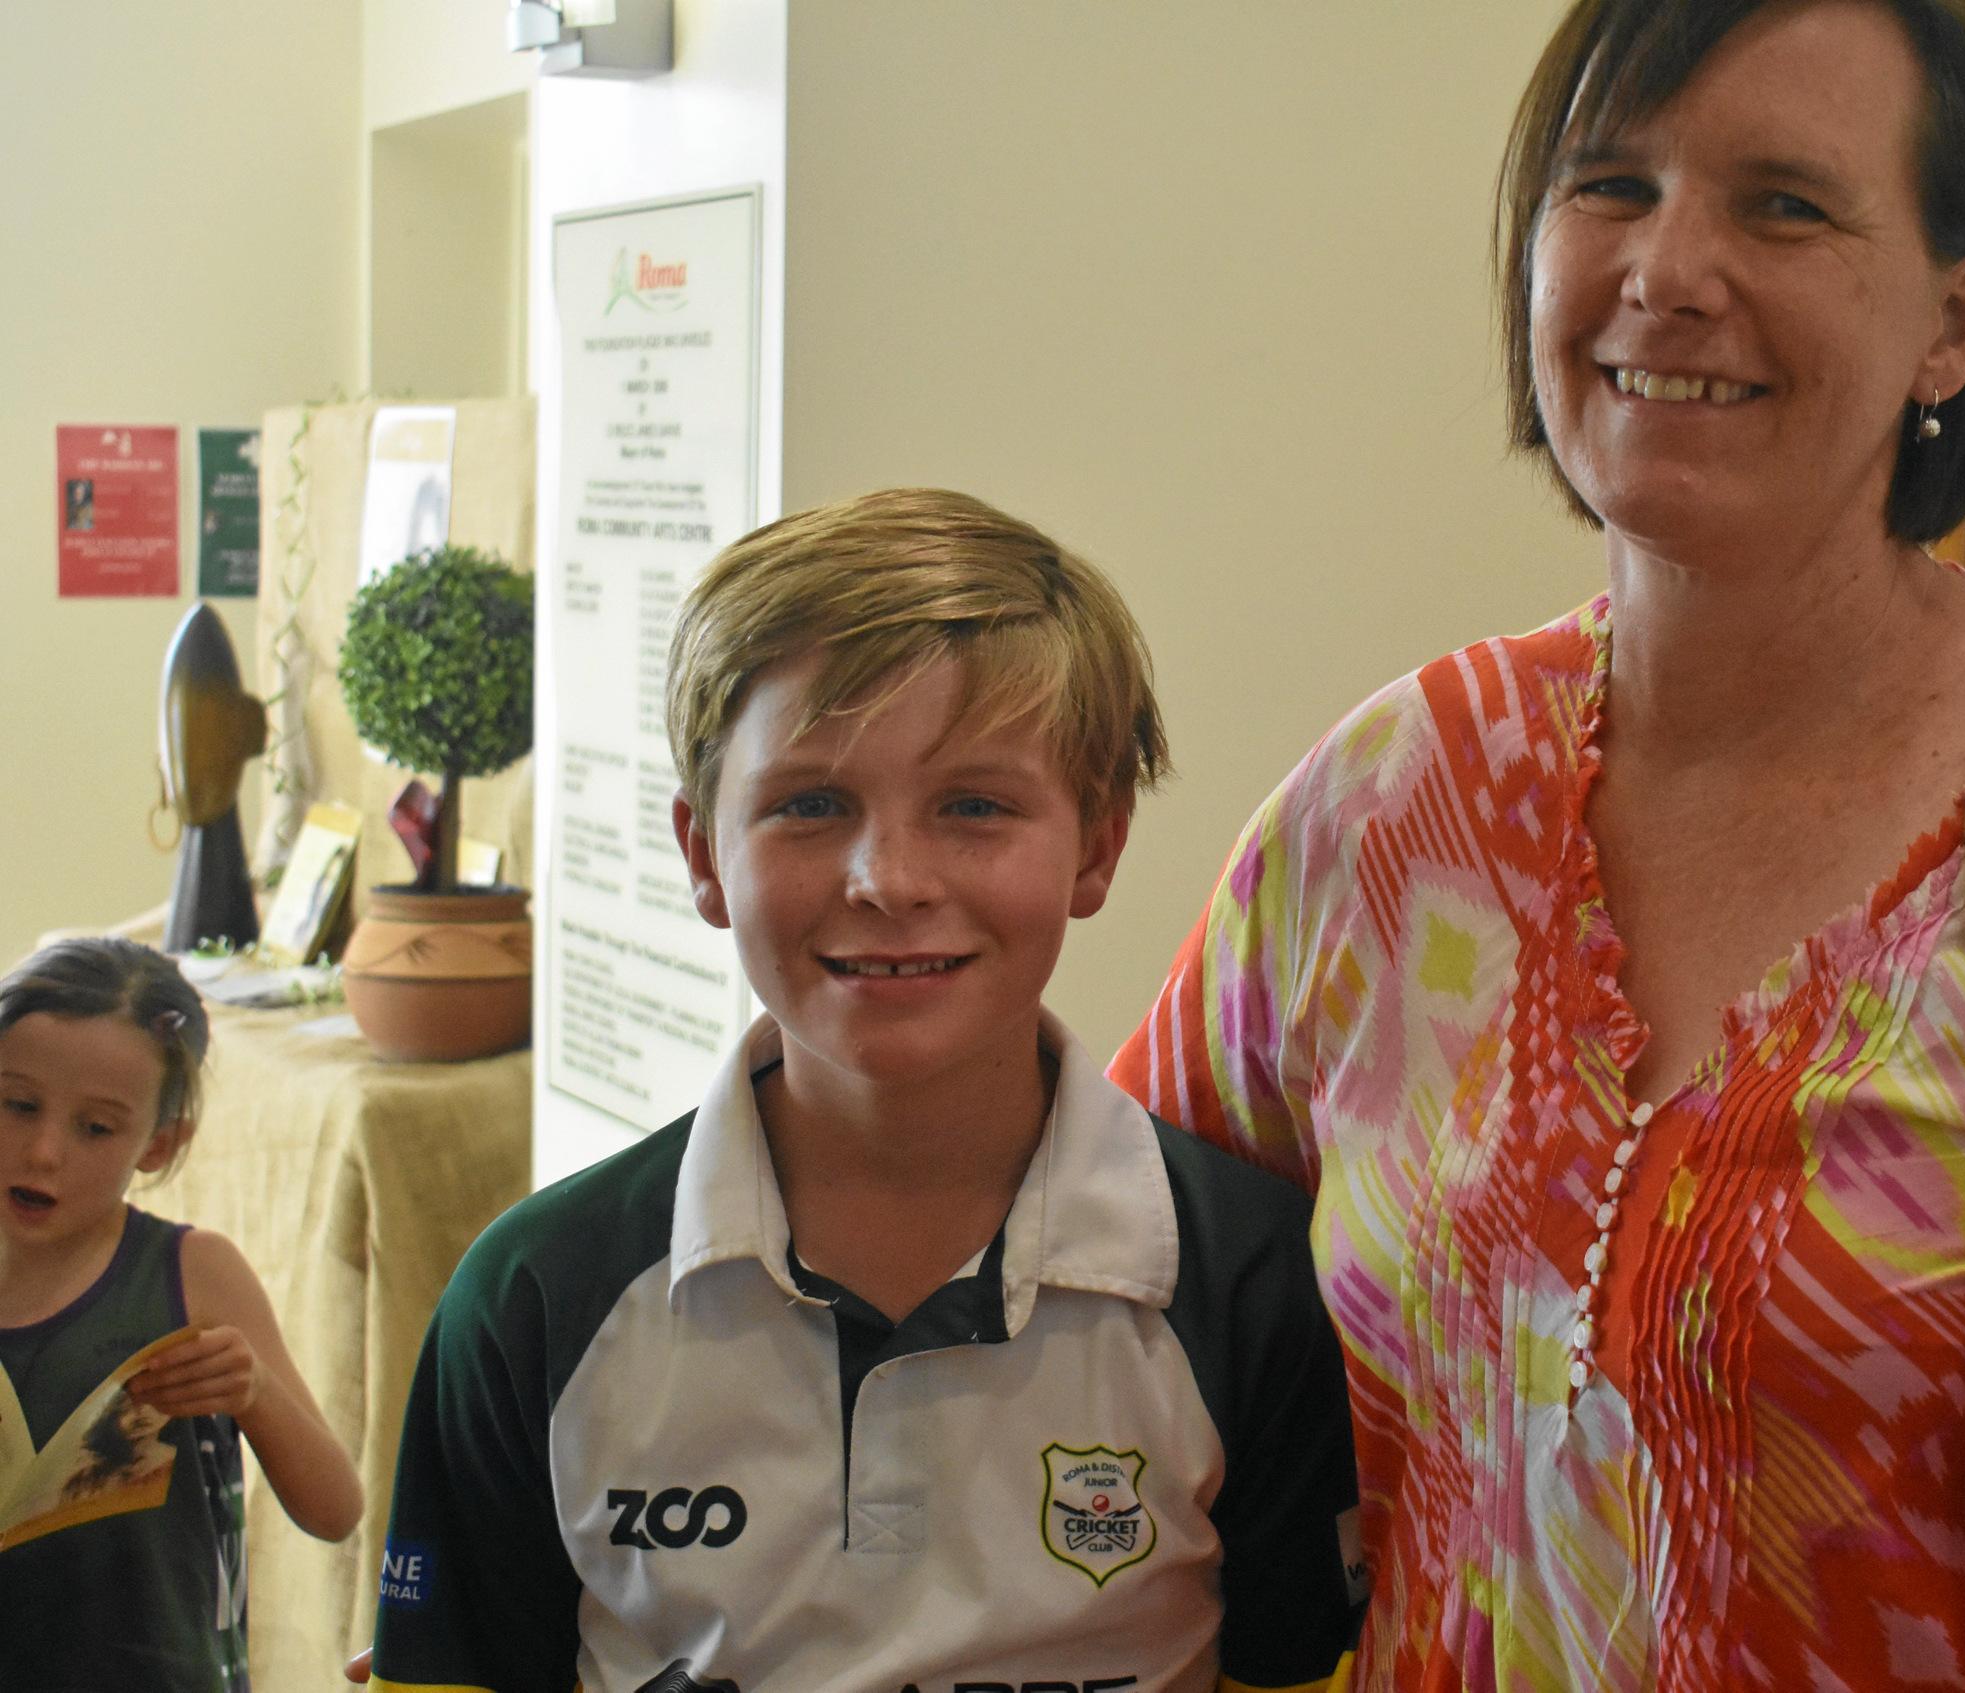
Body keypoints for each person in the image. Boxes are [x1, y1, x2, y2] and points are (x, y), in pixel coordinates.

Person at [1113, 0, 1965, 1687]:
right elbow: (1102, 1285)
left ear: (1955, 320)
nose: (1665, 270)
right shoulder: (1403, 796)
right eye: (1606, 184)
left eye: (1782, 204)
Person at [366, 489, 1364, 1693]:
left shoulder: (1249, 1284)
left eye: (975, 807)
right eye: (810, 805)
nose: (888, 879)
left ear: (1097, 847)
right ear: (702, 855)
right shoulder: (536, 1299)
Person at [1, 936, 363, 1692]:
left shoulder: (193, 1274)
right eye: (17, 1105)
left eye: (95, 1127)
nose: (42, 1152)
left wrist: (254, 1389)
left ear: (160, 1144)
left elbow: (336, 1509)